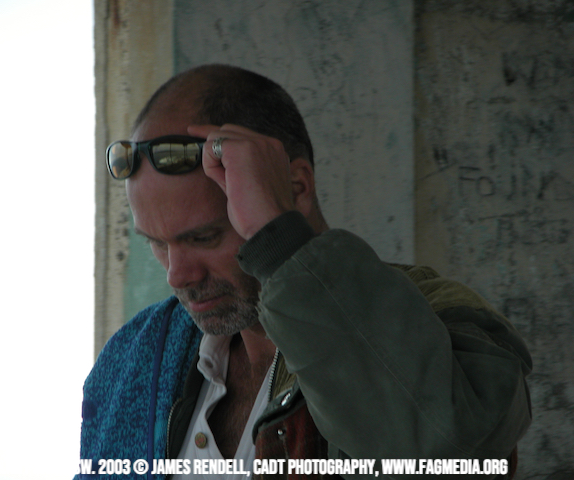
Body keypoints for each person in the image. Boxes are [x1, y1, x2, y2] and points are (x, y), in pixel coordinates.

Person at [77, 64, 532, 479]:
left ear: (294, 188)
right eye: (157, 244)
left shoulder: (438, 317)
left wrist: (279, 243)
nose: (178, 276)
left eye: (204, 237)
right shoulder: (135, 357)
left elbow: (451, 457)